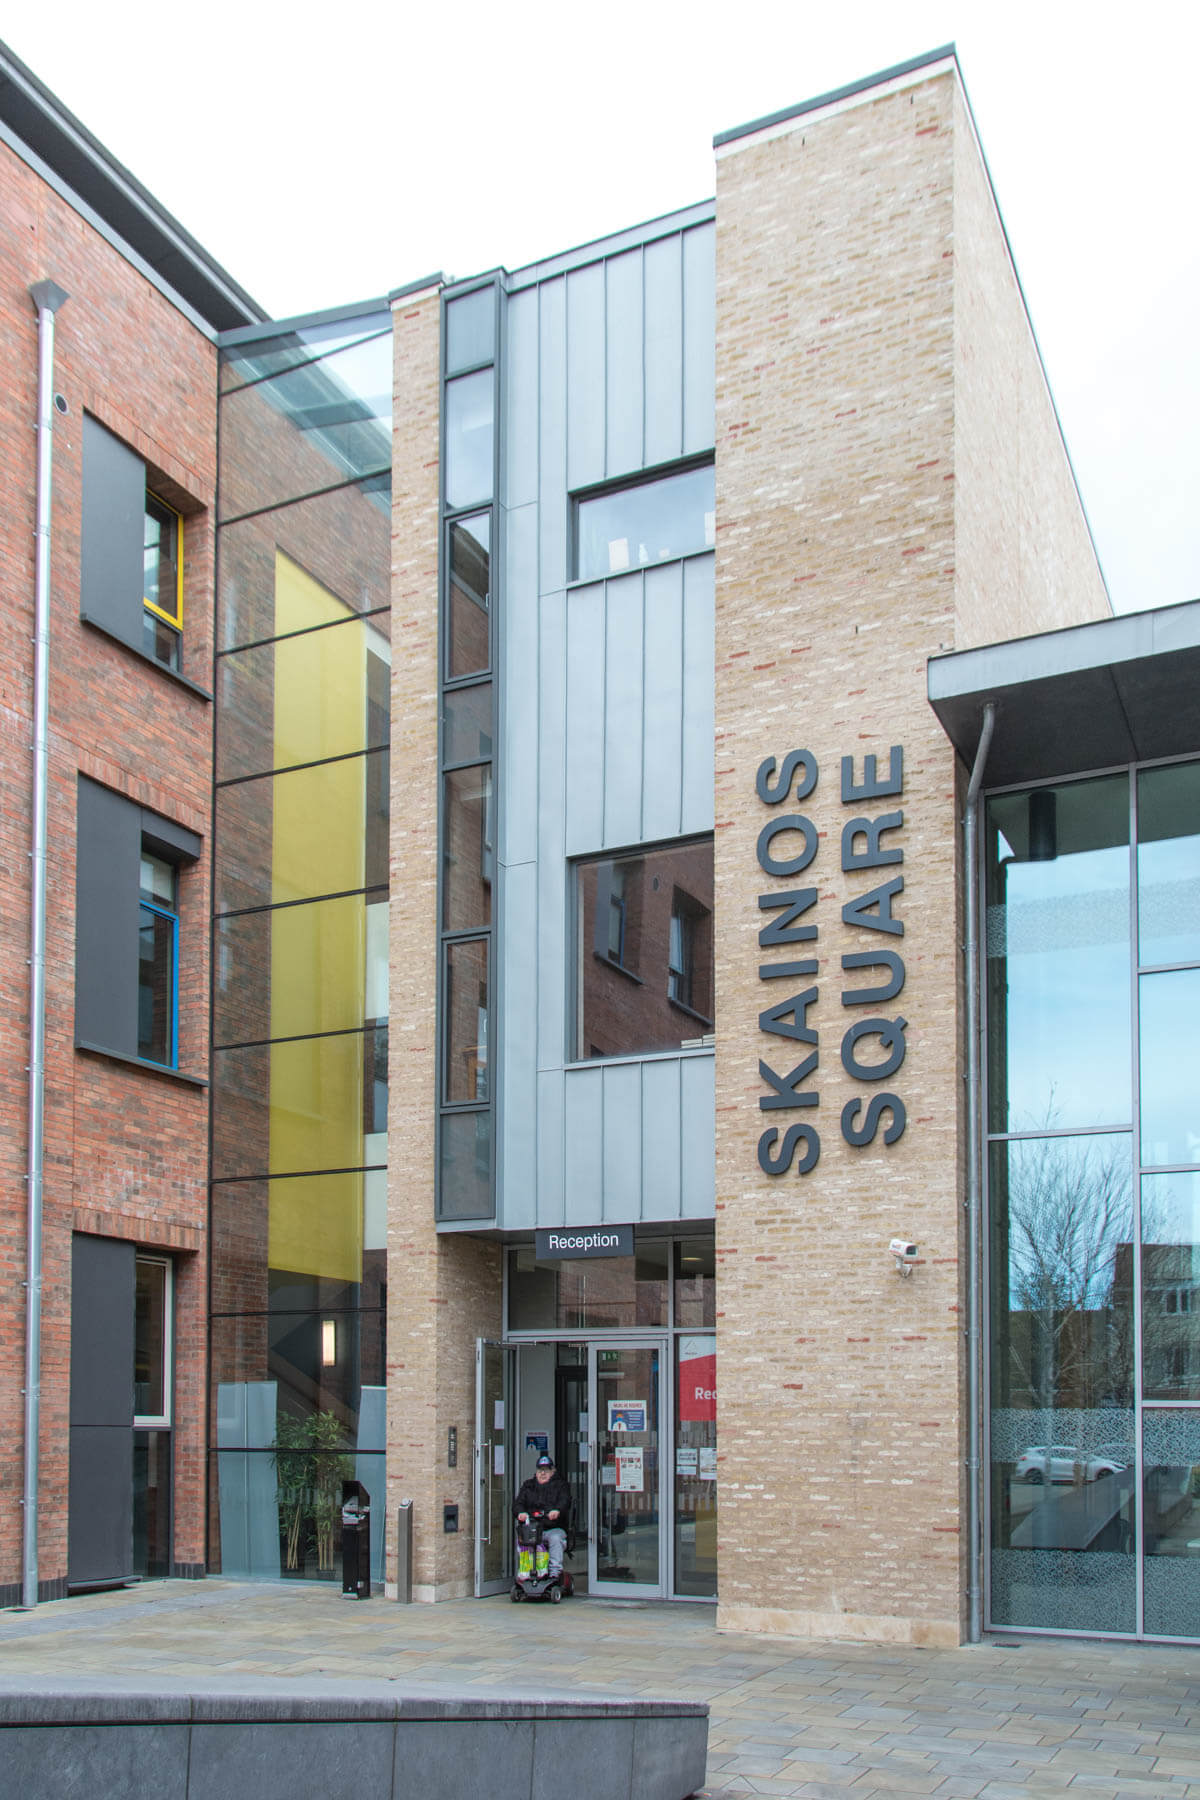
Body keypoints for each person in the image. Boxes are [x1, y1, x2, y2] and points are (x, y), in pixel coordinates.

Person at [513, 1453, 570, 1578]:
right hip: (532, 1528)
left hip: (552, 1528)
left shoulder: (561, 1486)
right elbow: (518, 1503)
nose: (543, 1473)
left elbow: (564, 1501)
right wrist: (520, 1513)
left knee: (555, 1538)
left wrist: (557, 1511)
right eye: (540, 1470)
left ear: (552, 1471)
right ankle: (525, 1572)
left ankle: (555, 1572)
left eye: (546, 1470)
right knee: (523, 1540)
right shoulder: (528, 1486)